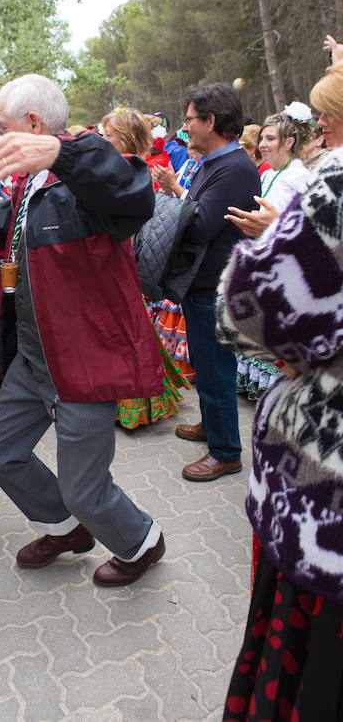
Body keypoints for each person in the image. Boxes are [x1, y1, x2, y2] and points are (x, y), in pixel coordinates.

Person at [0, 74, 166, 587]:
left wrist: (60, 151)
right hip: (34, 359)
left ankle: (141, 540)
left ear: (34, 125)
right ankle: (66, 529)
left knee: (85, 488)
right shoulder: (27, 183)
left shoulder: (83, 177)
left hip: (81, 364)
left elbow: (132, 189)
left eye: (4, 126)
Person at [217, 75, 343, 719]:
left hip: (330, 504)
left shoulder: (337, 187)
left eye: (324, 123)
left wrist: (274, 240)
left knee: (310, 676)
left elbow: (246, 314)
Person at [173, 82, 260, 482]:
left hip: (216, 287)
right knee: (206, 366)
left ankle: (226, 452)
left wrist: (173, 213)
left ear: (211, 121)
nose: (186, 126)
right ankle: (213, 427)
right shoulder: (217, 164)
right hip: (204, 284)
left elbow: (202, 225)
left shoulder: (234, 168)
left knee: (215, 370)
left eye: (191, 119)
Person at [101, 107, 190, 428]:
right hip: (117, 260)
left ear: (124, 139)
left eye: (108, 135)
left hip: (120, 260)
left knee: (125, 331)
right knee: (128, 330)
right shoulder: (125, 169)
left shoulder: (127, 171)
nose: (103, 140)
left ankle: (134, 404)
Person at [226, 111, 313, 400]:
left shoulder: (300, 176)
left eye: (270, 138)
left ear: (290, 141)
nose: (263, 144)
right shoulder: (269, 173)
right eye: (261, 137)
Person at [149, 145, 205, 383]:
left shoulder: (207, 168)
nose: (189, 147)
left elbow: (198, 212)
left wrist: (172, 186)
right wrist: (168, 188)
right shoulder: (189, 165)